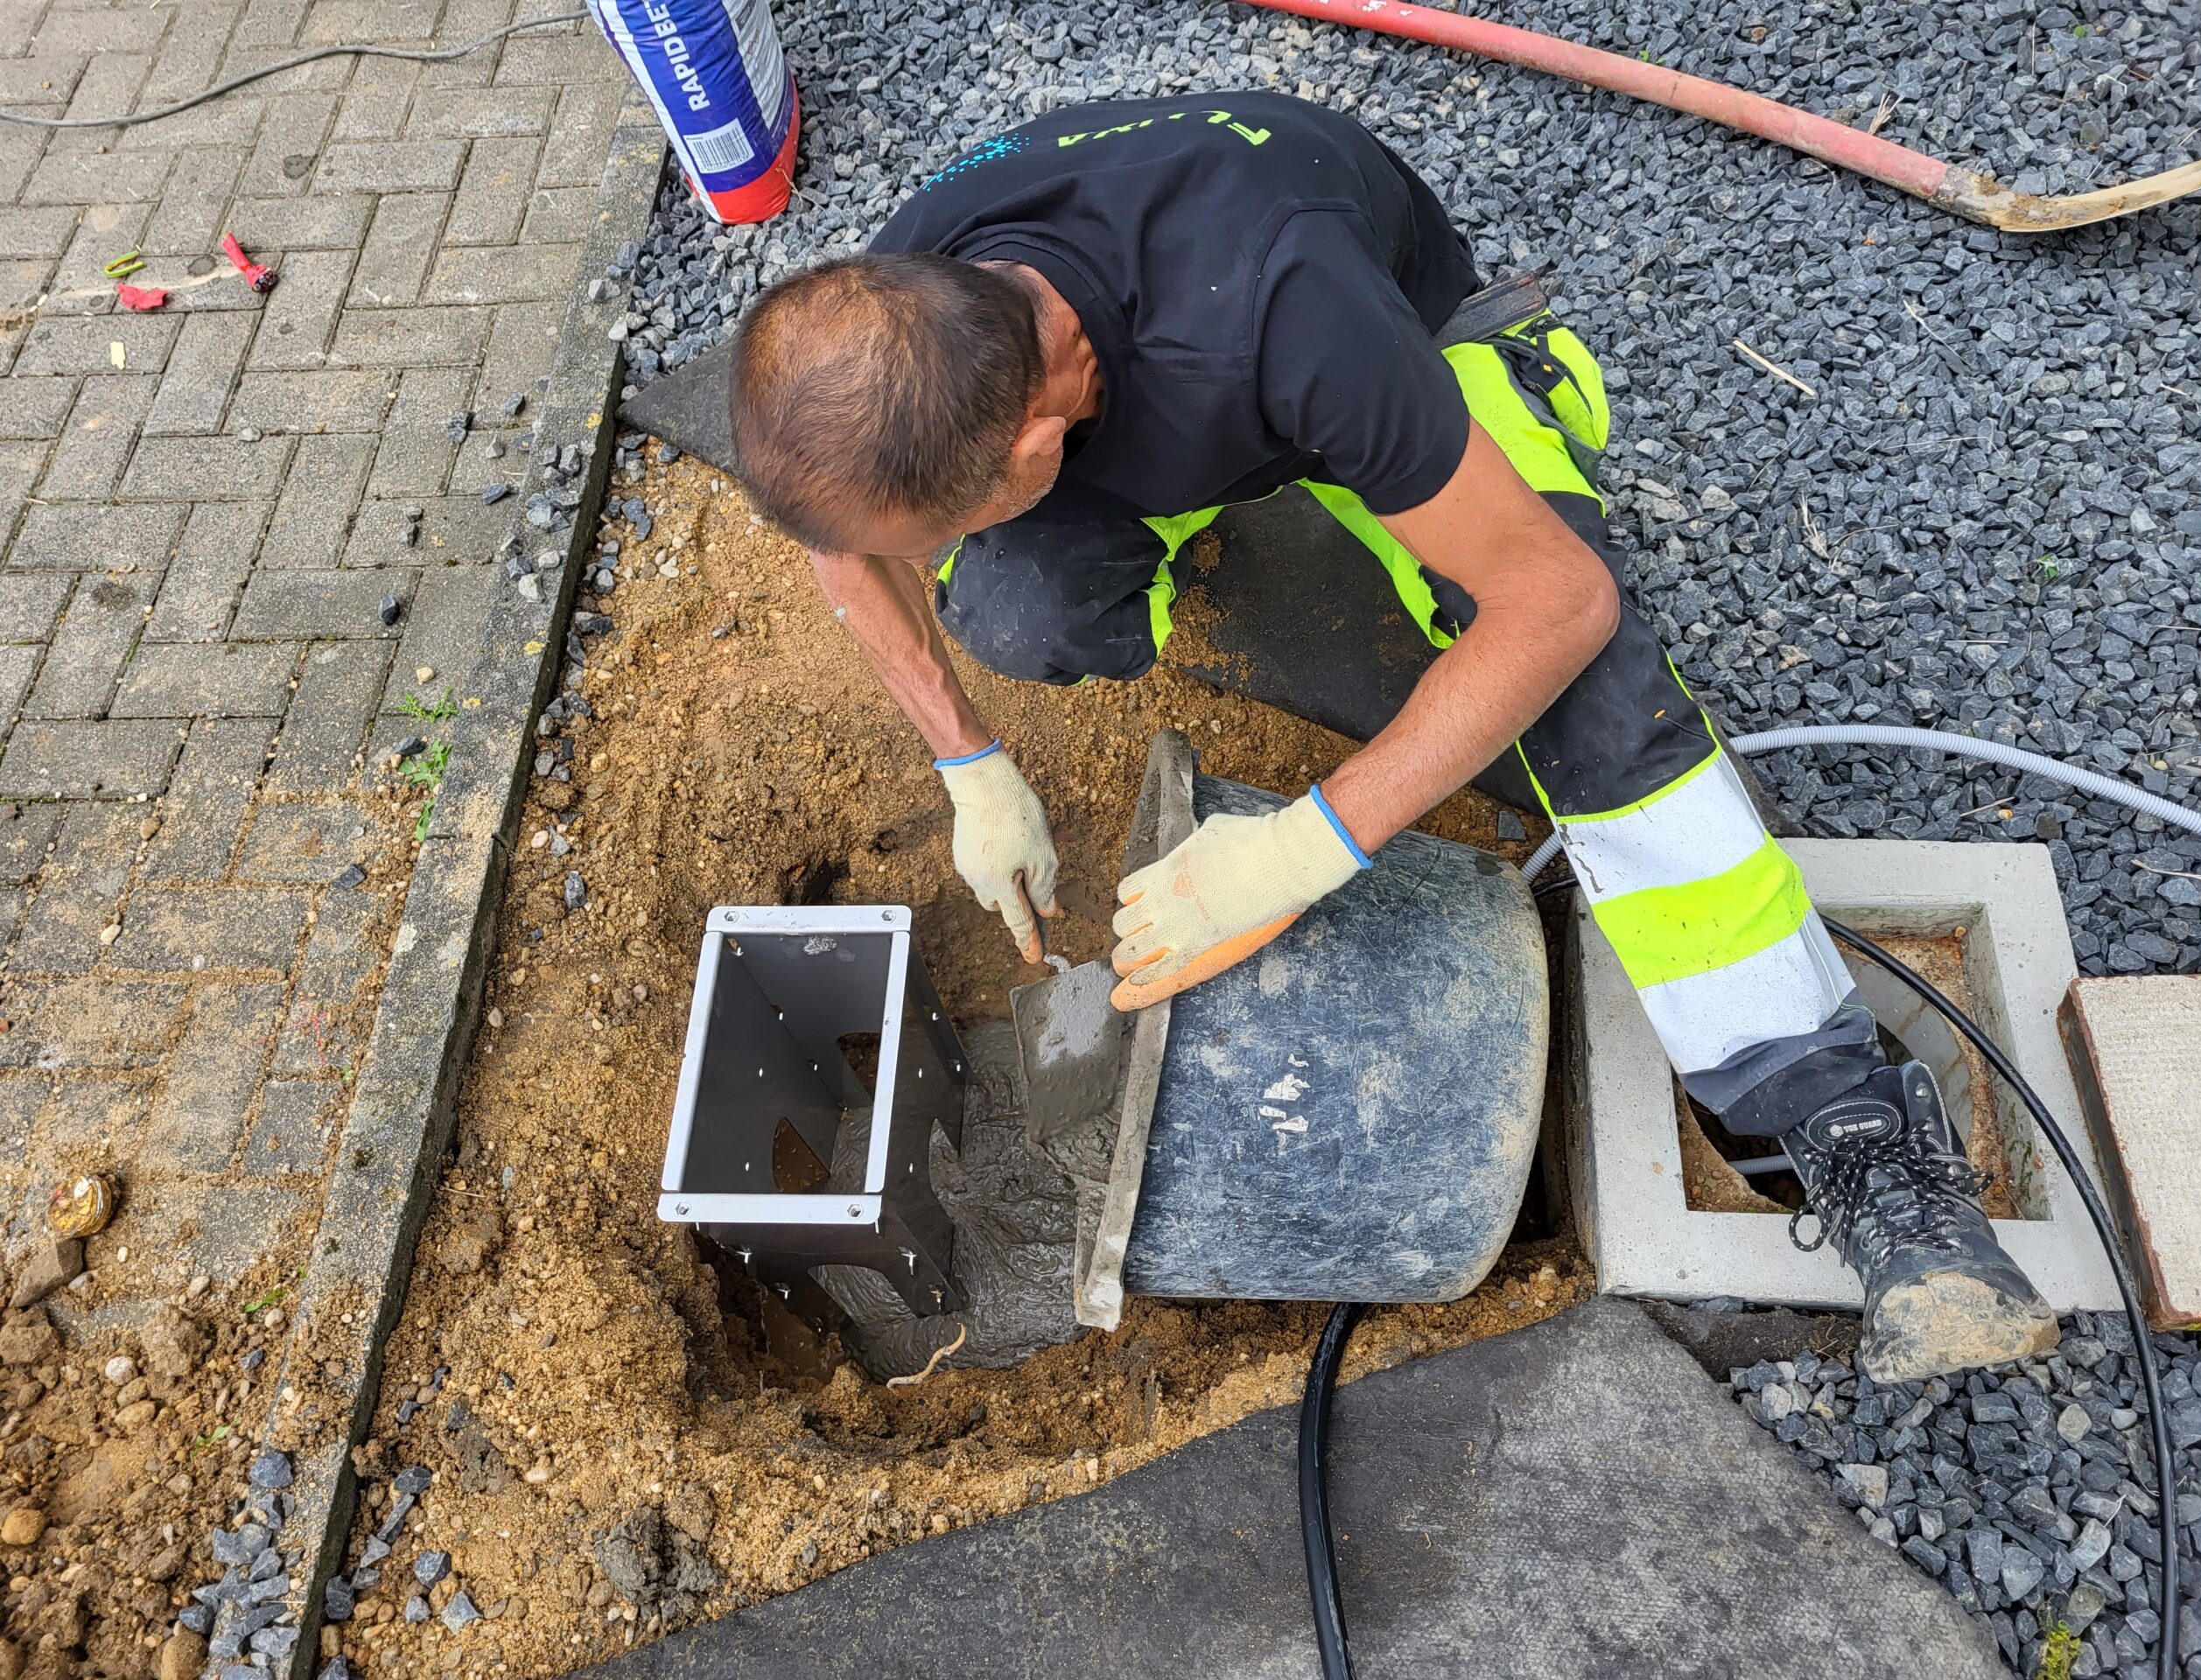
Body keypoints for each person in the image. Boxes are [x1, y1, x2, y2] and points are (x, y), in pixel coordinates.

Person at [725, 90, 2056, 1382]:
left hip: (1402, 345)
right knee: (1024, 613)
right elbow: (851, 551)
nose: (920, 561)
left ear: (1030, 448)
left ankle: (1843, 1115)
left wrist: (1307, 847)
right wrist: (967, 758)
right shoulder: (908, 314)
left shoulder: (1292, 314)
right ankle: (1216, 511)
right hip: (1165, 386)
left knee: (1591, 699)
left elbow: (1560, 607)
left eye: (955, 520)